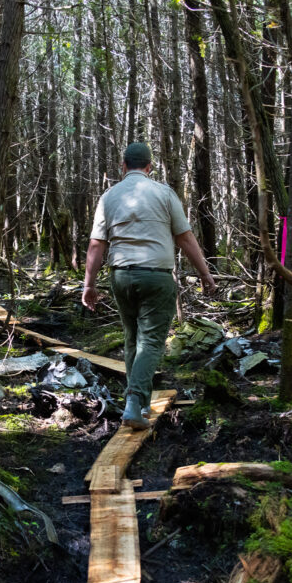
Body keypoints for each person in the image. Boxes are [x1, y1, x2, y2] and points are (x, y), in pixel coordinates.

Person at [82, 142, 217, 430]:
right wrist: (205, 274)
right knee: (152, 342)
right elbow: (185, 238)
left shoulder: (109, 196)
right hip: (156, 277)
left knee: (133, 338)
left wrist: (89, 285)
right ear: (149, 166)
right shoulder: (164, 193)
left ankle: (139, 403)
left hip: (121, 277)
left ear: (123, 165)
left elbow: (96, 244)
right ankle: (134, 403)